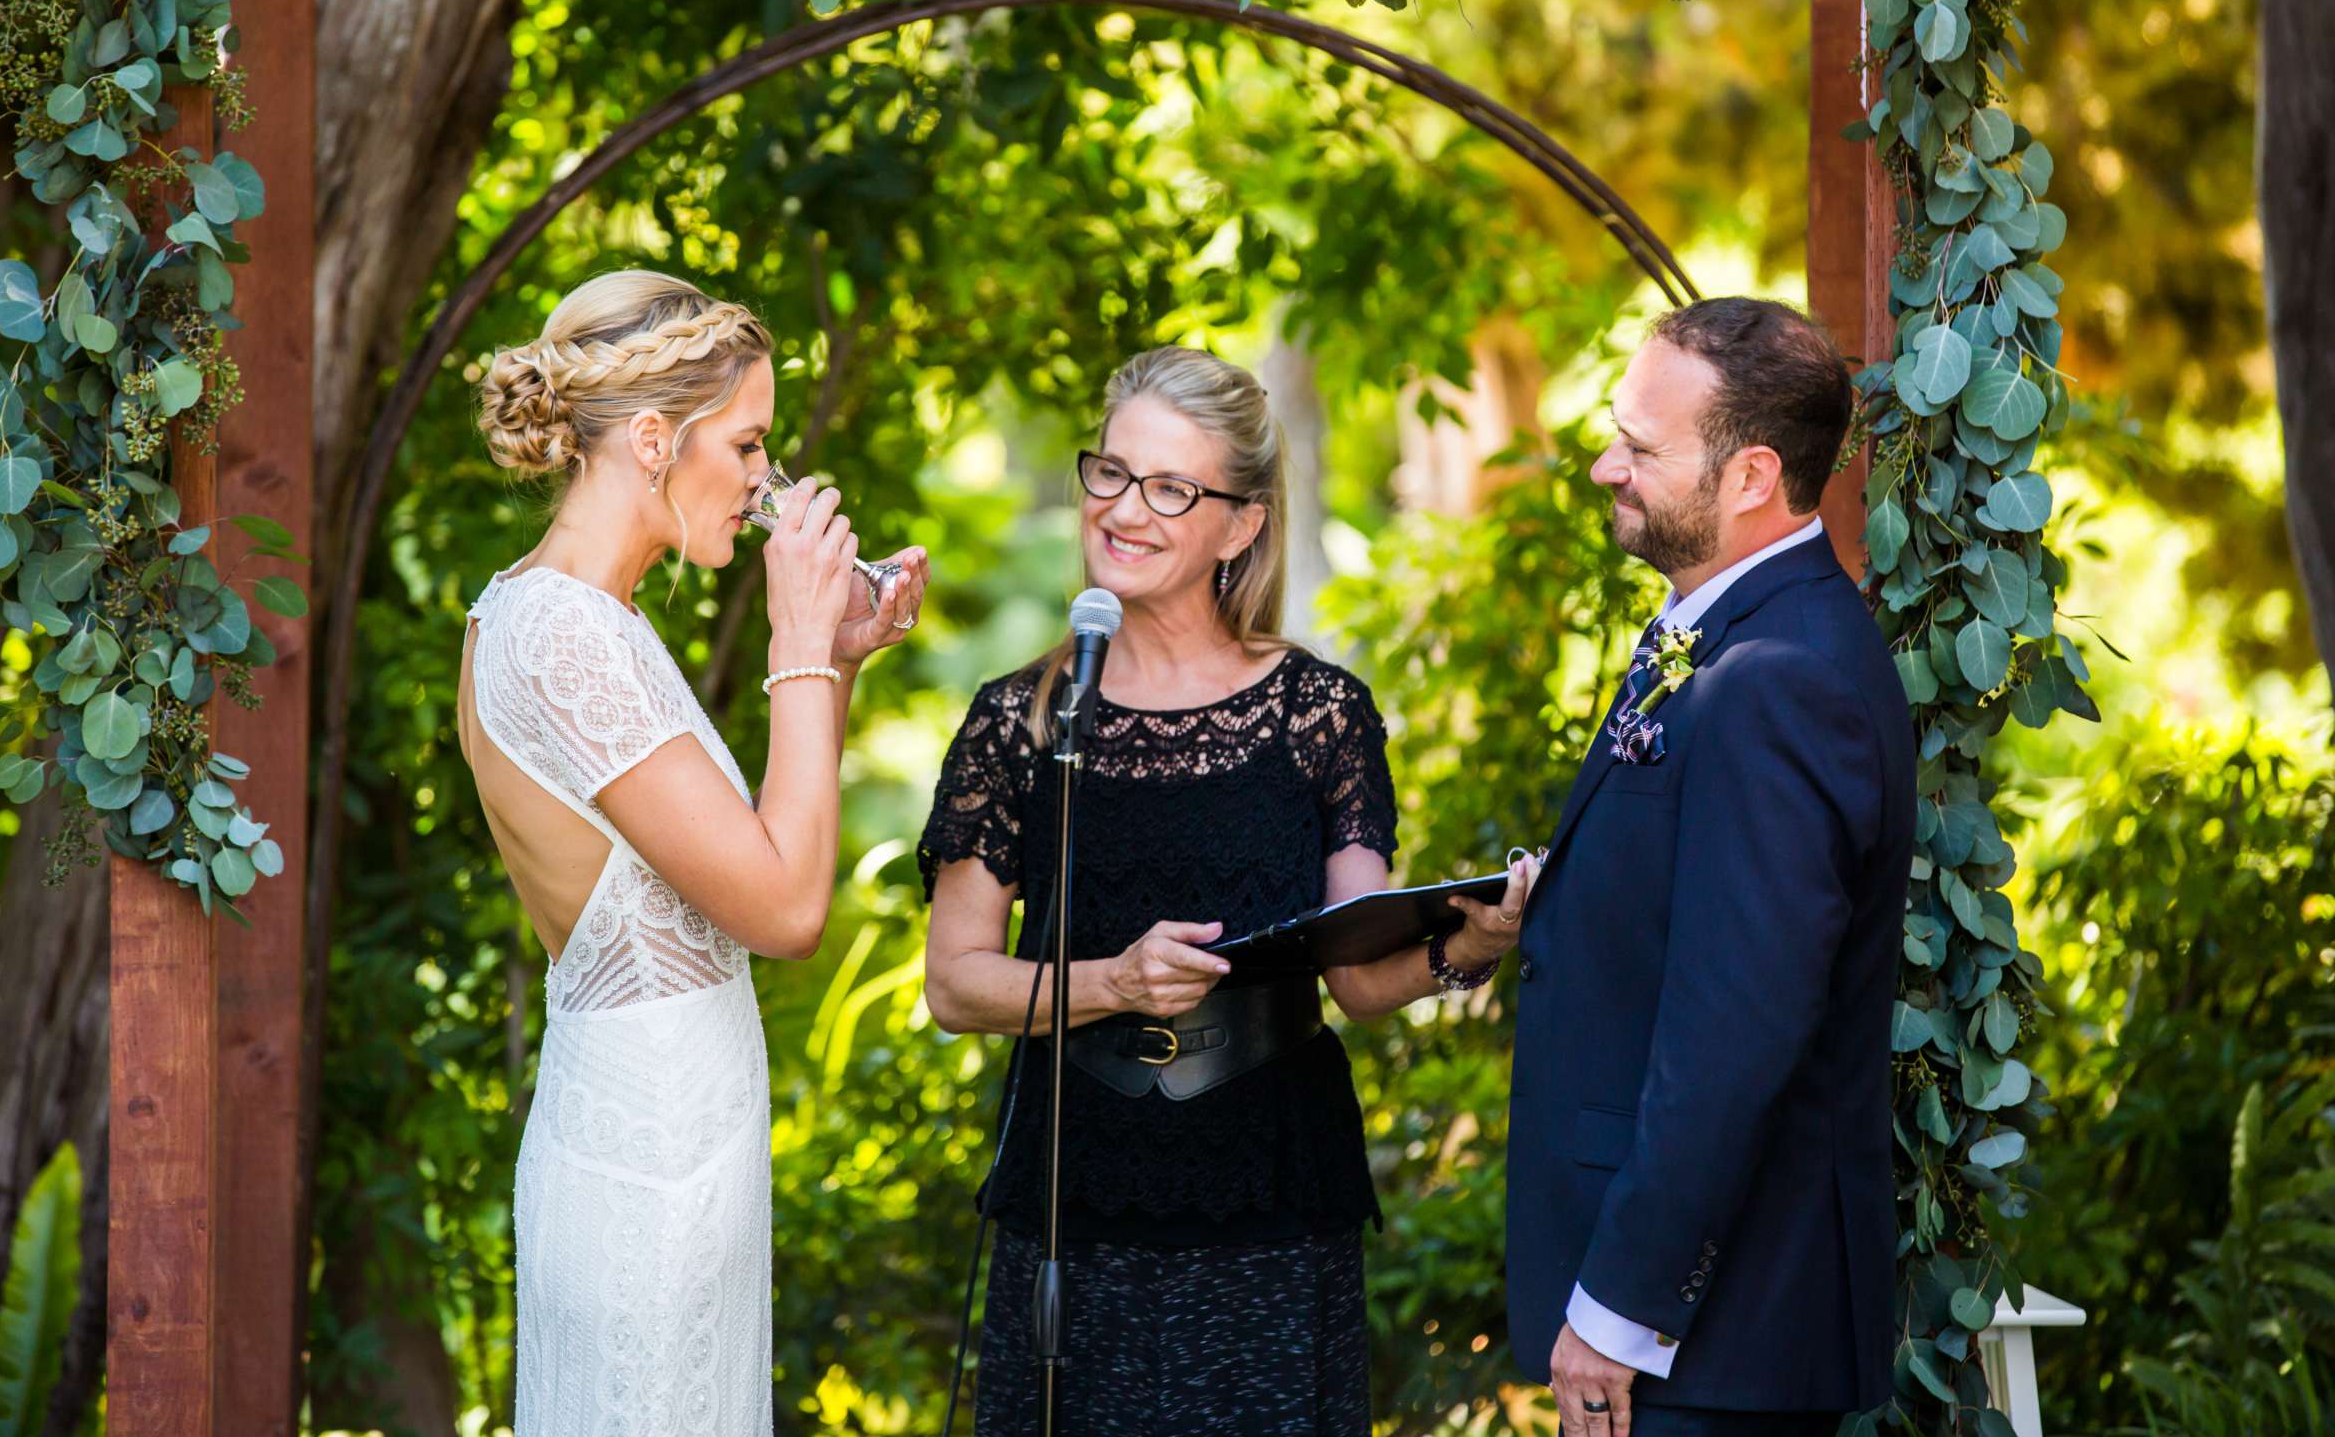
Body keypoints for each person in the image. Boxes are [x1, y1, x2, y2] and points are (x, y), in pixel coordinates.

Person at [918, 346, 1535, 1436]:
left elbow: (1357, 976)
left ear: (1240, 524)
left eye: (1169, 488)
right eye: (1109, 472)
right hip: (1074, 1202)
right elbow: (958, 984)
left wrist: (1469, 946)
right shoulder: (1019, 720)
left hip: (1271, 1201)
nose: (1124, 509)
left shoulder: (1318, 713)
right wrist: (1113, 980)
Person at [455, 269, 926, 1435]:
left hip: (674, 1150)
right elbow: (784, 910)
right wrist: (797, 638)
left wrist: (839, 659)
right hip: (645, 1169)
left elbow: (756, 859)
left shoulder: (592, 623)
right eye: (751, 443)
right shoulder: (560, 634)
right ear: (655, 441)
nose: (767, 480)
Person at [1491, 298, 1913, 1437]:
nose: (1600, 466)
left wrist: (1619, 1312)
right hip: (1706, 1333)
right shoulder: (1728, 631)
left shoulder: (1781, 677)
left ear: (1750, 477)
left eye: (1638, 446)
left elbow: (1736, 1032)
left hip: (1717, 1335)